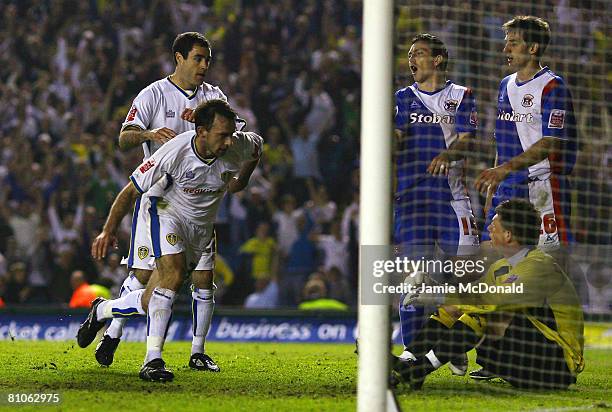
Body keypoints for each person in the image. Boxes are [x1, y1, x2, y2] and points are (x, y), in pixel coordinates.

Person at [78, 100, 262, 382]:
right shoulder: (174, 151)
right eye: (221, 135)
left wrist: (245, 171)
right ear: (201, 132)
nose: (227, 141)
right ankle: (153, 359)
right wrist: (108, 230)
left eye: (230, 135)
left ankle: (103, 309)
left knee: (151, 299)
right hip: (166, 213)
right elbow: (131, 190)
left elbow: (250, 159)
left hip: (200, 229)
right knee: (173, 277)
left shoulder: (240, 145)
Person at [95, 32, 232, 370]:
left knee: (203, 277)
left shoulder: (213, 96)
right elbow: (124, 138)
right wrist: (148, 134)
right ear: (179, 58)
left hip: (198, 199)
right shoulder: (154, 94)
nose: (204, 65)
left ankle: (195, 351)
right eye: (198, 58)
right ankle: (112, 328)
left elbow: (229, 131)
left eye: (207, 60)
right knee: (145, 276)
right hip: (158, 197)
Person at [393, 199, 584, 390]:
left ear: (508, 235)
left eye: (494, 224)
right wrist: (433, 288)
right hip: (519, 359)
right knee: (456, 307)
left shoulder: (539, 265)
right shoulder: (500, 267)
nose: (489, 229)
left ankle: (419, 370)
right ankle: (409, 358)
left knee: (488, 311)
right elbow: (471, 294)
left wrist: (439, 296)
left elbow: (498, 300)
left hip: (558, 365)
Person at [393, 33, 480, 367]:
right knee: (415, 280)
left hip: (451, 202)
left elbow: (468, 140)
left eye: (419, 53)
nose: (412, 59)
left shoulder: (460, 95)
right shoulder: (402, 98)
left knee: (464, 279)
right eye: (409, 54)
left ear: (439, 59)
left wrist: (447, 153)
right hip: (412, 204)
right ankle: (413, 355)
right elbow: (397, 140)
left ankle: (452, 343)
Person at [475, 16, 577, 250]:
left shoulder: (553, 87)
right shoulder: (505, 85)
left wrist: (503, 170)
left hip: (541, 190)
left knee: (548, 262)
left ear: (533, 48)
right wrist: (494, 185)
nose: (505, 49)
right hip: (507, 188)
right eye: (506, 42)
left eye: (513, 42)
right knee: (489, 253)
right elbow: (502, 141)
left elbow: (551, 142)